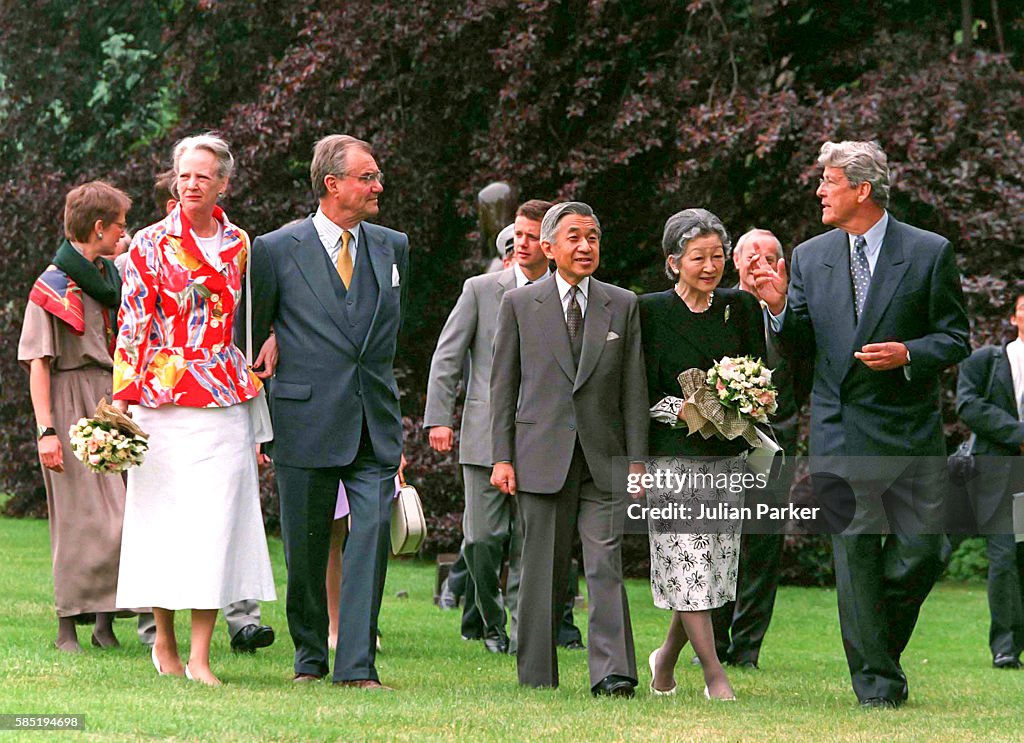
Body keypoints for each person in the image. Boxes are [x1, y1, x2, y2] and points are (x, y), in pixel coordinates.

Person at [754, 139, 970, 707]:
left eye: (828, 181)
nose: (819, 191)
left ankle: (876, 649)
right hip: (838, 428)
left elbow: (955, 337)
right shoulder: (808, 256)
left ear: (862, 189)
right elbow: (799, 346)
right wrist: (778, 308)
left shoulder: (929, 252)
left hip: (910, 431)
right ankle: (876, 685)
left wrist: (910, 354)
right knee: (854, 557)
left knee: (924, 551)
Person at [246, 134, 409, 690]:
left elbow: (388, 334)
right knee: (308, 550)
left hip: (373, 423)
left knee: (370, 539)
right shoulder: (272, 248)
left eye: (377, 175)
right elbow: (252, 328)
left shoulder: (394, 247)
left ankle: (358, 667)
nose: (378, 186)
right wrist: (266, 338)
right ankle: (310, 659)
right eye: (367, 177)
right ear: (332, 184)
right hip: (303, 419)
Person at [113, 133, 277, 686]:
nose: (191, 183)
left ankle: (202, 656)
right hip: (163, 394)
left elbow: (249, 314)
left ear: (223, 183)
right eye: (184, 174)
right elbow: (132, 324)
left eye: (203, 175)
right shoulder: (148, 244)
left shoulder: (238, 243)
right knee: (164, 522)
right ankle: (163, 638)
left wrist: (269, 340)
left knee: (216, 523)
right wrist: (121, 402)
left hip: (226, 392)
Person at [490, 201, 647, 696]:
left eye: (594, 237)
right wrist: (501, 456)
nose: (586, 247)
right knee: (540, 569)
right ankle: (537, 673)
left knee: (605, 562)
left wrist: (638, 462)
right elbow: (503, 385)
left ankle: (613, 673)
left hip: (604, 460)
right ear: (550, 247)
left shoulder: (622, 303)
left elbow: (634, 389)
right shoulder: (519, 305)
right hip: (538, 456)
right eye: (575, 237)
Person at [640, 209, 765, 700]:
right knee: (688, 561)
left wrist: (746, 401)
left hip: (728, 459)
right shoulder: (648, 310)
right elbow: (639, 389)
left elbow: (762, 375)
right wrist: (690, 411)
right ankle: (715, 674)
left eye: (717, 256)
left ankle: (665, 658)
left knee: (706, 569)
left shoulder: (741, 308)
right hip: (672, 457)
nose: (710, 266)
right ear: (674, 263)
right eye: (698, 258)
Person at [425, 199, 553, 654]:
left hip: (542, 439)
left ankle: (520, 633)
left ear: (551, 243)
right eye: (517, 234)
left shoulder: (566, 296)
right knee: (482, 539)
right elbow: (448, 355)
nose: (521, 243)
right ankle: (490, 619)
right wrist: (439, 417)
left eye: (531, 236)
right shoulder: (480, 289)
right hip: (483, 435)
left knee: (529, 543)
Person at [18, 181, 134, 653]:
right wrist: (46, 430)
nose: (125, 232)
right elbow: (38, 363)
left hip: (109, 400)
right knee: (77, 520)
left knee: (119, 517)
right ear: (99, 228)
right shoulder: (52, 286)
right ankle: (68, 625)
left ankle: (105, 623)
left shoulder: (109, 279)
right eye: (120, 225)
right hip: (68, 400)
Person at [709, 228, 809, 669]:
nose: (759, 263)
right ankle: (712, 643)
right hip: (721, 445)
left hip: (774, 445)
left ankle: (747, 648)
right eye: (751, 255)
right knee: (717, 543)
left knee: (762, 547)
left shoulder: (793, 316)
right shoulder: (719, 309)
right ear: (735, 261)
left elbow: (805, 372)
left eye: (769, 256)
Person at [956, 290, 1024, 670]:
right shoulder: (986, 360)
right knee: (1003, 555)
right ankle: (1005, 647)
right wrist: (1019, 434)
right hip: (997, 471)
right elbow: (968, 404)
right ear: (1014, 317)